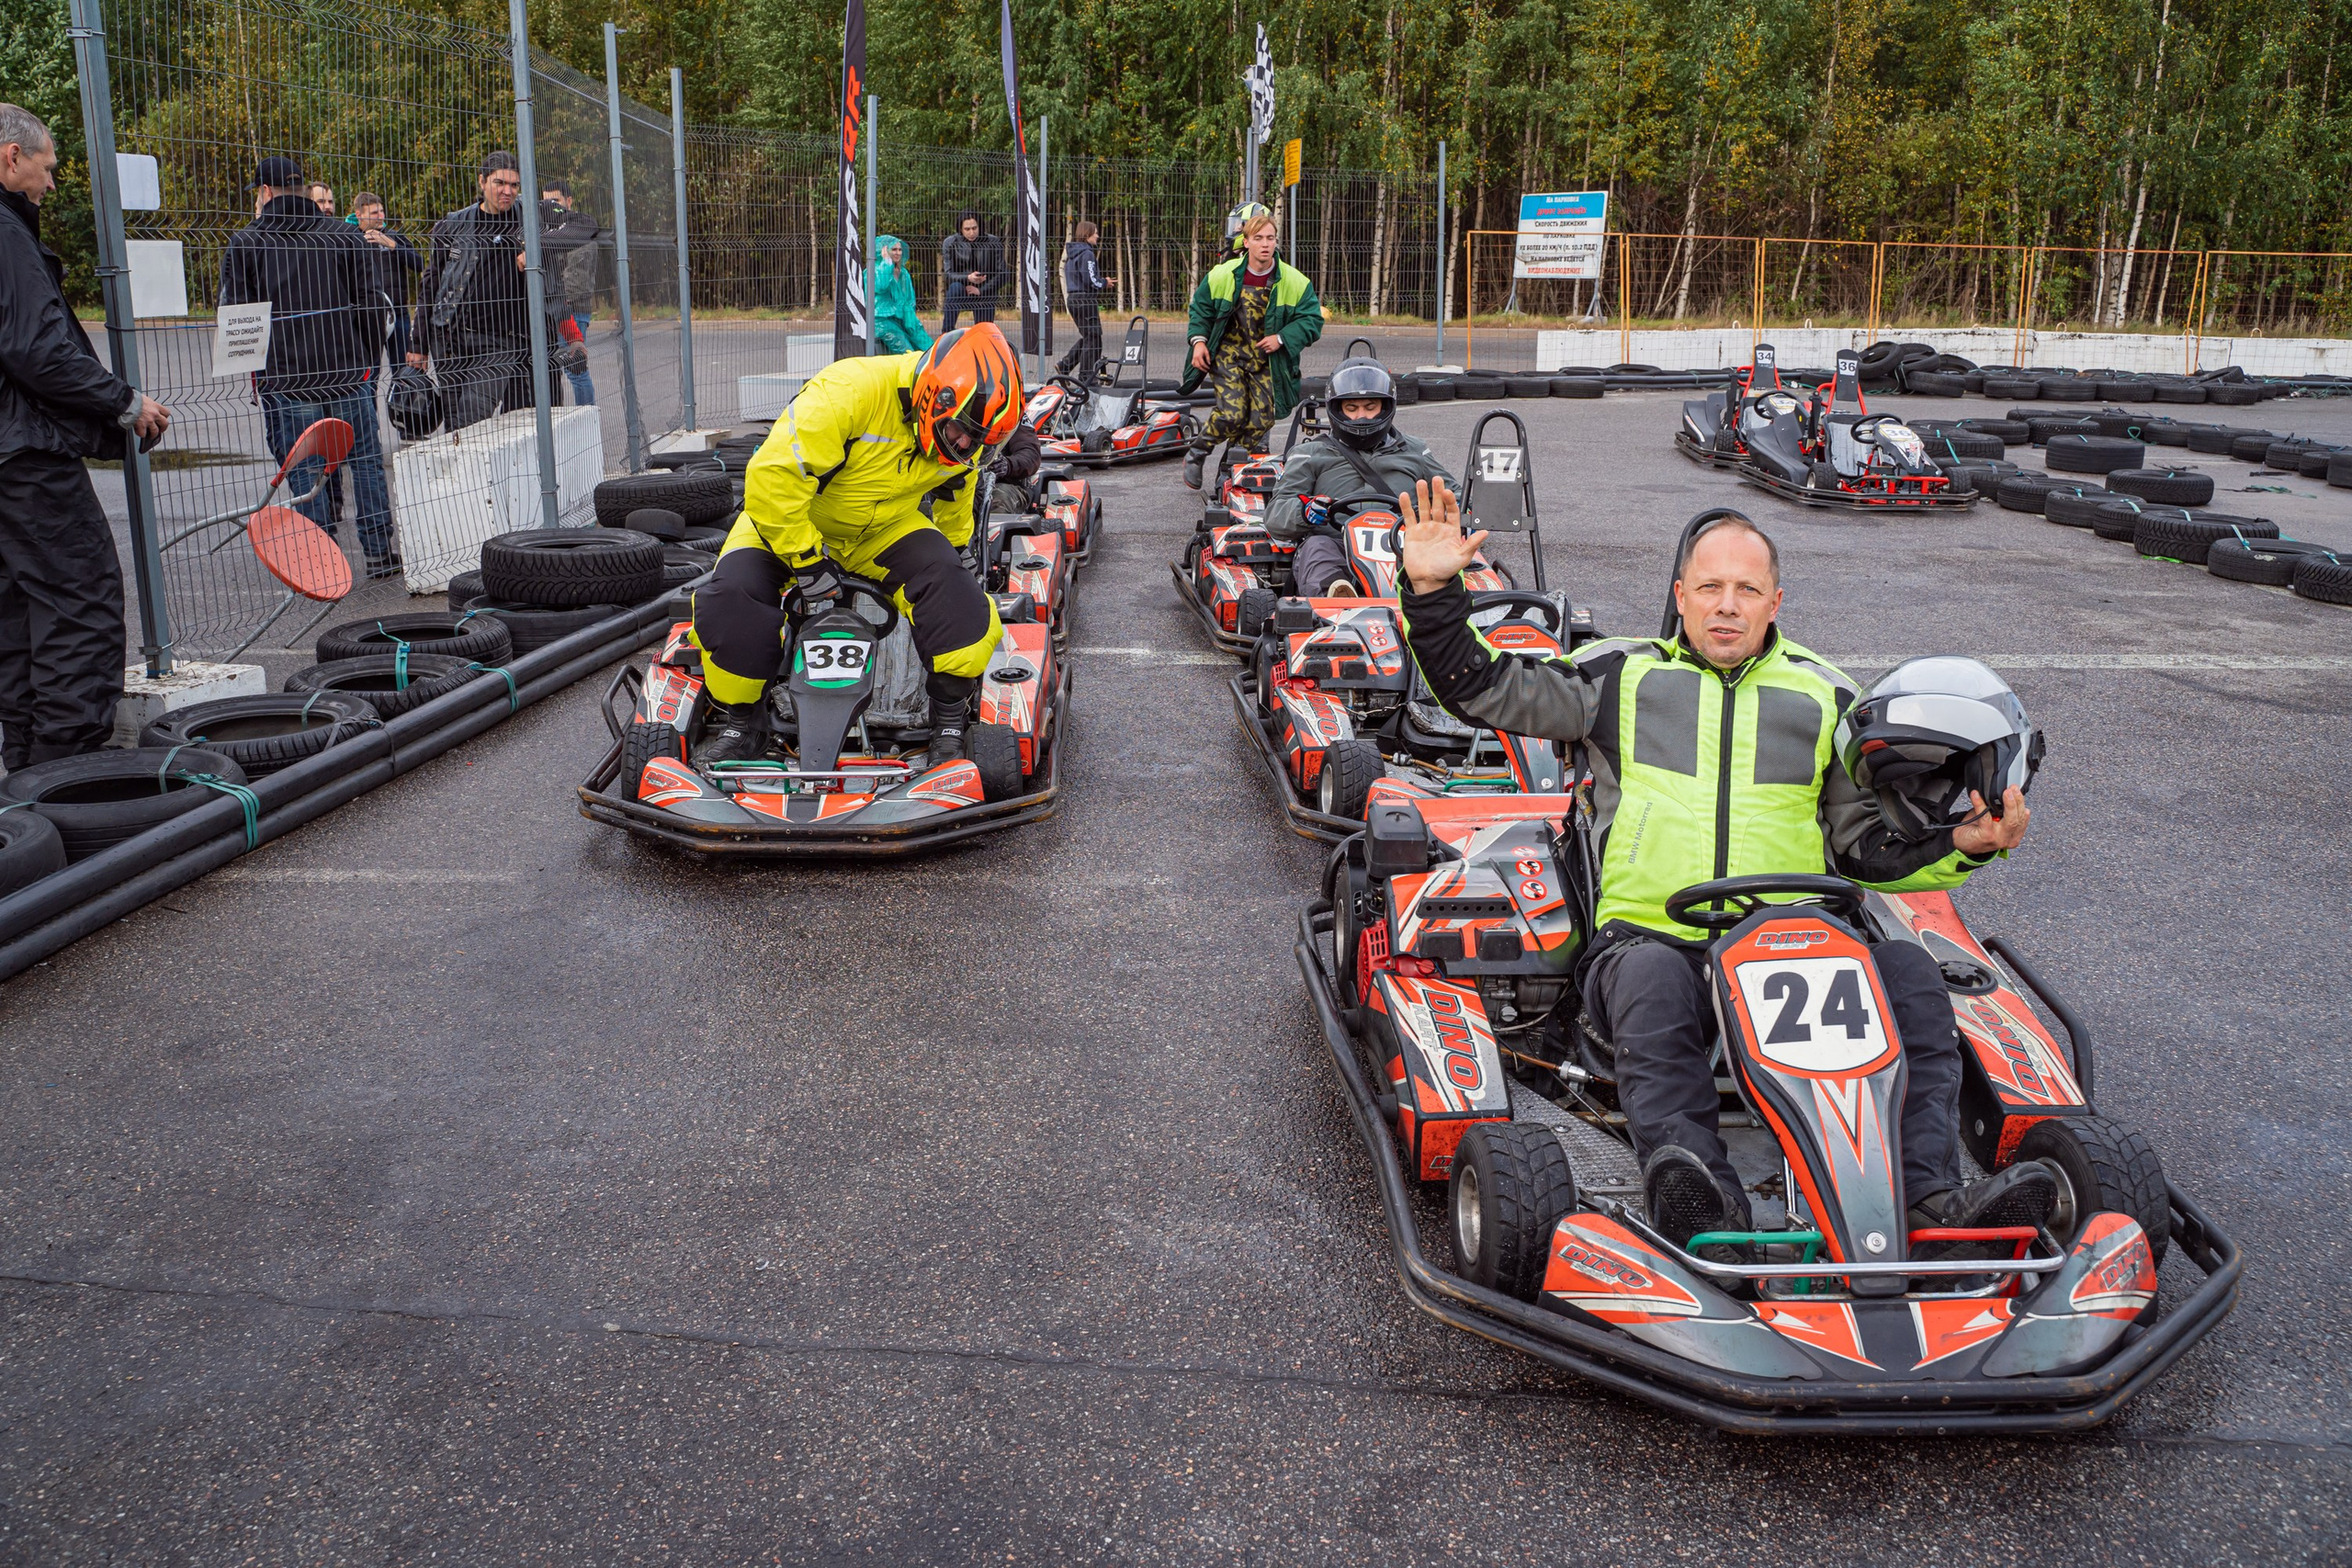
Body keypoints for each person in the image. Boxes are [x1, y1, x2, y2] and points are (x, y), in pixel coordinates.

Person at [1393, 495, 2053, 1258]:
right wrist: (1435, 593)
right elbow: (1481, 686)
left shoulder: (1828, 697)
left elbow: (1865, 848)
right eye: (1709, 588)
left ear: (1777, 601)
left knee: (1907, 969)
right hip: (1657, 939)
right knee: (1650, 979)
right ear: (1681, 595)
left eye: (1746, 590)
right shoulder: (1619, 677)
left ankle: (1930, 1201)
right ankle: (1698, 1201)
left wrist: (1968, 844)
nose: (1727, 607)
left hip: (1800, 942)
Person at [690, 322, 1023, 773]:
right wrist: (806, 562)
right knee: (730, 600)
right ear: (934, 399)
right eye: (962, 431)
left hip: (884, 528)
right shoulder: (847, 392)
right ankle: (742, 724)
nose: (966, 445)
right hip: (792, 522)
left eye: (978, 440)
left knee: (959, 598)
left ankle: (947, 724)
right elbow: (772, 479)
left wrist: (960, 546)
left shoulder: (959, 447)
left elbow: (956, 490)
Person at [0, 104, 167, 768]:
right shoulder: (6, 233)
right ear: (11, 157)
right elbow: (36, 348)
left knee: (17, 619)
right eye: (46, 171)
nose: (51, 186)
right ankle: (69, 776)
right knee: (80, 602)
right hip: (25, 453)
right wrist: (122, 402)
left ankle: (26, 778)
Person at [219, 155, 400, 576]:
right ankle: (378, 550)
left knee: (304, 467)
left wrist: (257, 375)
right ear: (303, 191)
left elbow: (238, 317)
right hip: (348, 372)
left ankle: (321, 559)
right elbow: (372, 306)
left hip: (286, 376)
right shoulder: (345, 237)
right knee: (365, 459)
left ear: (265, 193)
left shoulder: (248, 241)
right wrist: (366, 360)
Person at [1265, 356, 1447, 597]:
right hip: (1336, 547)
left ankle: (1430, 601)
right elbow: (1275, 514)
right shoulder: (1309, 453)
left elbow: (1454, 497)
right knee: (1317, 547)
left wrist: (1432, 515)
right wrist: (1304, 512)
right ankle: (1335, 599)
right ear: (1336, 409)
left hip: (1404, 547)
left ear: (1386, 406)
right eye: (1352, 409)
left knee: (1440, 553)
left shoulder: (1414, 450)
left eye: (1370, 408)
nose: (1361, 417)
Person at [1180, 204, 1321, 491]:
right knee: (1233, 414)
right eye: (1258, 238)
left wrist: (1282, 337)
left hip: (1267, 361)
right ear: (1246, 242)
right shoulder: (1223, 274)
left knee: (1261, 420)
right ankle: (1197, 453)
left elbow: (1312, 321)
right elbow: (1201, 311)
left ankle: (1229, 470)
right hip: (1228, 356)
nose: (1265, 244)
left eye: (1270, 238)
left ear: (1276, 242)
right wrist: (1198, 342)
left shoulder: (1295, 281)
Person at [411, 152, 534, 433]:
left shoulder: (528, 221)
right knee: (455, 425)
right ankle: (464, 478)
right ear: (482, 181)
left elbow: (581, 225)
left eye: (514, 185)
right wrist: (417, 343)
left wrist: (540, 251)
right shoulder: (454, 223)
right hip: (449, 336)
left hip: (499, 342)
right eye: (499, 182)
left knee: (471, 419)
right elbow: (430, 284)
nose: (507, 191)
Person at [349, 192, 424, 368]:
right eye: (375, 213)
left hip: (397, 313)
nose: (381, 216)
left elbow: (419, 264)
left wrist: (393, 246)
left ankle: (399, 397)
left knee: (402, 371)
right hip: (366, 316)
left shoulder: (394, 236)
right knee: (370, 372)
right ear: (359, 215)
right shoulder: (351, 239)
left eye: (382, 211)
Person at [540, 182, 597, 406]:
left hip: (571, 310)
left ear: (569, 201)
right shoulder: (552, 230)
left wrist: (555, 300)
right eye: (546, 202)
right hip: (555, 308)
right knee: (553, 371)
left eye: (555, 201)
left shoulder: (579, 232)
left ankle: (587, 419)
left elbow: (575, 280)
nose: (551, 207)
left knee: (576, 370)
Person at [1055, 220, 1114, 383]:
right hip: (1084, 300)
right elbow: (1090, 279)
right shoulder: (1087, 254)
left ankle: (1065, 365)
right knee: (1094, 338)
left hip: (1074, 299)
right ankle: (1086, 377)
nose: (1097, 235)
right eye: (1095, 232)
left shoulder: (1073, 254)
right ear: (1087, 234)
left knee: (1090, 337)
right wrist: (1104, 283)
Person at [939, 212, 1004, 333]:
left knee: (984, 333)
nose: (971, 233)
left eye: (974, 228)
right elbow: (948, 274)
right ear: (960, 229)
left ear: (980, 226)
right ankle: (947, 333)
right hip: (961, 289)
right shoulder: (950, 242)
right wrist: (968, 278)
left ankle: (983, 339)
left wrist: (981, 290)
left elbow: (1003, 274)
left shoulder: (993, 242)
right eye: (967, 229)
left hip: (985, 291)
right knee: (955, 288)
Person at [872, 235, 931, 355]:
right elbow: (880, 286)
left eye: (899, 249)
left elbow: (910, 299)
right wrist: (886, 262)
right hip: (881, 321)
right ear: (883, 251)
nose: (898, 253)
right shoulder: (873, 271)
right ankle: (914, 371)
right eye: (894, 249)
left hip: (902, 316)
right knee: (907, 350)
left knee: (926, 344)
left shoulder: (903, 273)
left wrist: (911, 320)